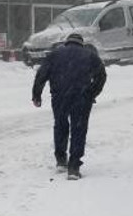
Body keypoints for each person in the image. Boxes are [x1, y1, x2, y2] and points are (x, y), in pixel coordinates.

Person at [31, 33, 107, 180]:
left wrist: (36, 95)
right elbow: (102, 76)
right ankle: (73, 167)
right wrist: (92, 93)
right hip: (82, 96)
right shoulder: (90, 55)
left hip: (60, 96)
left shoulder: (55, 54)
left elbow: (41, 74)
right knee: (79, 129)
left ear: (67, 43)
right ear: (81, 43)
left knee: (60, 125)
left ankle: (60, 159)